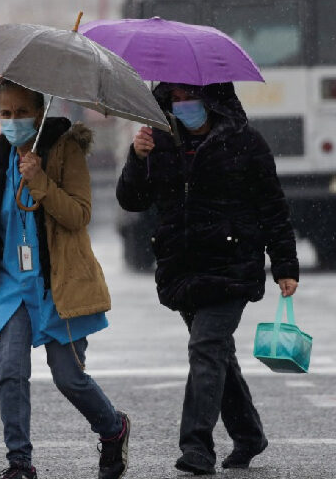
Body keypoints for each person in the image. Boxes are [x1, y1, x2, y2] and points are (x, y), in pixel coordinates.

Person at [116, 81, 299, 475]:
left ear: (213, 97)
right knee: (215, 353)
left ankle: (197, 446)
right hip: (182, 267)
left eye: (190, 96)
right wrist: (136, 157)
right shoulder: (158, 140)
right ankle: (249, 434)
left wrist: (285, 265)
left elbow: (273, 206)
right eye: (175, 98)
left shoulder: (245, 141)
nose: (183, 105)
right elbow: (132, 200)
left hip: (231, 264)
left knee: (205, 347)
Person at [0, 79, 130, 479]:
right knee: (11, 373)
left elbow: (77, 215)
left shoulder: (64, 152)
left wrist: (39, 181)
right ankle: (19, 462)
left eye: (22, 113)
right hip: (11, 289)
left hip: (57, 287)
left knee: (69, 378)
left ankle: (113, 429)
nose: (13, 121)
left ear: (39, 114)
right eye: (6, 114)